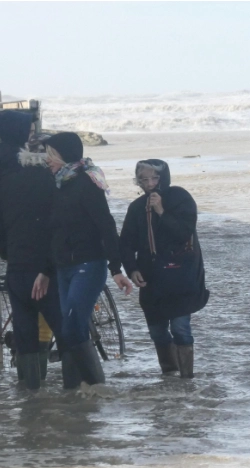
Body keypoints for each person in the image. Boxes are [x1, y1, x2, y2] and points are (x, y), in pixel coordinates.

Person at [43, 132, 134, 388]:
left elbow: (106, 225)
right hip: (63, 268)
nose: (47, 160)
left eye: (51, 155)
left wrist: (116, 268)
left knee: (71, 327)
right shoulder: (57, 184)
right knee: (70, 330)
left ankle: (95, 384)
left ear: (64, 156)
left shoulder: (87, 183)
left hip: (89, 264)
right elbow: (53, 231)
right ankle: (76, 388)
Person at [119, 159, 209, 378]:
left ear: (163, 178)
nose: (149, 184)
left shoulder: (180, 198)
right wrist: (131, 269)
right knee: (157, 331)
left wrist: (161, 211)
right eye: (143, 179)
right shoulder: (136, 208)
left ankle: (187, 378)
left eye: (154, 178)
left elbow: (184, 232)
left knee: (180, 327)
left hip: (182, 275)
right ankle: (169, 374)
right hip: (151, 278)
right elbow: (126, 243)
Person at [0, 111, 68, 390]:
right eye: (28, 132)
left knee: (26, 327)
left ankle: (31, 396)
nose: (31, 138)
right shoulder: (26, 170)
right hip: (38, 256)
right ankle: (80, 389)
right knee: (66, 329)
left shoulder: (11, 169)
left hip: (16, 257)